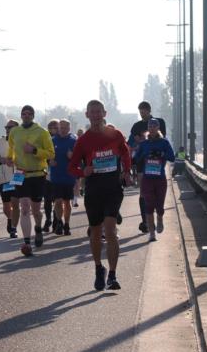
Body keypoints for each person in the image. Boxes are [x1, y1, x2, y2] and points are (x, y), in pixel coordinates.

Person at [69, 100, 133, 291]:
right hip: (94, 191)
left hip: (113, 189)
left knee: (111, 231)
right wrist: (83, 172)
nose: (96, 115)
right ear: (87, 114)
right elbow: (71, 167)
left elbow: (125, 153)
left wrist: (127, 171)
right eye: (92, 112)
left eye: (99, 112)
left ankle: (113, 275)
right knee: (96, 232)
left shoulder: (115, 135)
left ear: (104, 113)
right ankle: (99, 269)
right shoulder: (83, 140)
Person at [6, 105, 55, 256]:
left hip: (38, 174)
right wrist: (9, 158)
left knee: (35, 209)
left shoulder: (42, 132)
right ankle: (27, 242)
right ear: (21, 116)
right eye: (24, 114)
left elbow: (50, 153)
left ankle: (38, 228)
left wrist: (34, 150)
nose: (26, 116)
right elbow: (11, 149)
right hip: (20, 174)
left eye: (29, 114)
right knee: (24, 208)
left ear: (33, 116)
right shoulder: (15, 131)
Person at [129, 101, 169, 234]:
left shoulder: (159, 121)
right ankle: (145, 220)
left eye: (144, 111)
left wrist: (145, 139)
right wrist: (136, 143)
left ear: (149, 110)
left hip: (157, 164)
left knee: (157, 193)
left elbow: (162, 137)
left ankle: (158, 216)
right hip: (142, 163)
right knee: (143, 192)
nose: (142, 113)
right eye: (140, 111)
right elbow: (130, 142)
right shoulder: (136, 126)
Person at [133, 119, 175, 241]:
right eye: (150, 126)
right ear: (148, 128)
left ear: (158, 128)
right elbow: (136, 158)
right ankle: (152, 233)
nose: (151, 128)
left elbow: (172, 157)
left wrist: (161, 154)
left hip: (160, 179)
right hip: (147, 179)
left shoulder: (164, 143)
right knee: (149, 206)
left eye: (154, 126)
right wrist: (144, 155)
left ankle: (160, 218)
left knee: (160, 206)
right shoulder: (144, 144)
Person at [0, 120, 19, 238]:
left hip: (18, 175)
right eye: (6, 127)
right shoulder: (0, 141)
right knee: (6, 205)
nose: (7, 129)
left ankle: (14, 228)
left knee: (15, 203)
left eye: (10, 127)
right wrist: (0, 160)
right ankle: (10, 219)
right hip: (4, 177)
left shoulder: (22, 140)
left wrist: (17, 161)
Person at [48, 120, 77, 235]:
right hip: (56, 176)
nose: (63, 129)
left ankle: (67, 224)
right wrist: (49, 161)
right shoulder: (52, 140)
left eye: (65, 127)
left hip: (69, 176)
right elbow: (46, 155)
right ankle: (59, 222)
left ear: (69, 128)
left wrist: (72, 157)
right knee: (58, 201)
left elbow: (80, 158)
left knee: (67, 202)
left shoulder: (74, 141)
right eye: (61, 127)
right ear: (58, 128)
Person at [42, 119, 59, 232]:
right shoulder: (45, 140)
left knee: (57, 200)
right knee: (47, 200)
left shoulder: (62, 139)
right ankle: (48, 219)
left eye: (55, 127)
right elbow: (41, 154)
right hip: (47, 174)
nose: (53, 129)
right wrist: (48, 162)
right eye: (51, 127)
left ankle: (56, 221)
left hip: (59, 174)